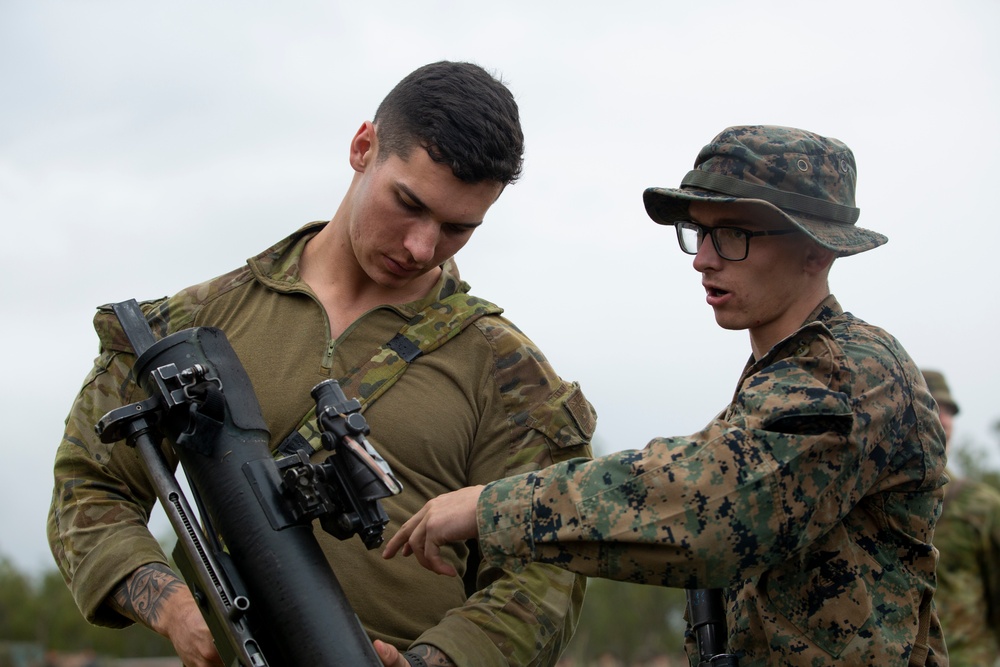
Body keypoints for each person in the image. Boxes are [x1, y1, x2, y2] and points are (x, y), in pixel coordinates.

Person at [46, 61, 596, 667]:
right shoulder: (190, 326)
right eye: (408, 204)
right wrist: (176, 609)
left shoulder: (509, 373)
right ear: (364, 148)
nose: (422, 246)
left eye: (457, 229)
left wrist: (435, 662)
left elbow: (546, 568)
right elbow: (88, 486)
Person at [385, 125, 950, 665]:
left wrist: (491, 507)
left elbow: (715, 503)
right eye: (699, 232)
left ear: (816, 252)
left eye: (733, 235)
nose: (704, 257)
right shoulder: (775, 384)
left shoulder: (853, 372)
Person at [921, 369, 1000, 665]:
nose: (944, 420)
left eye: (950, 412)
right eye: (934, 406)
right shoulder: (869, 505)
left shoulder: (981, 507)